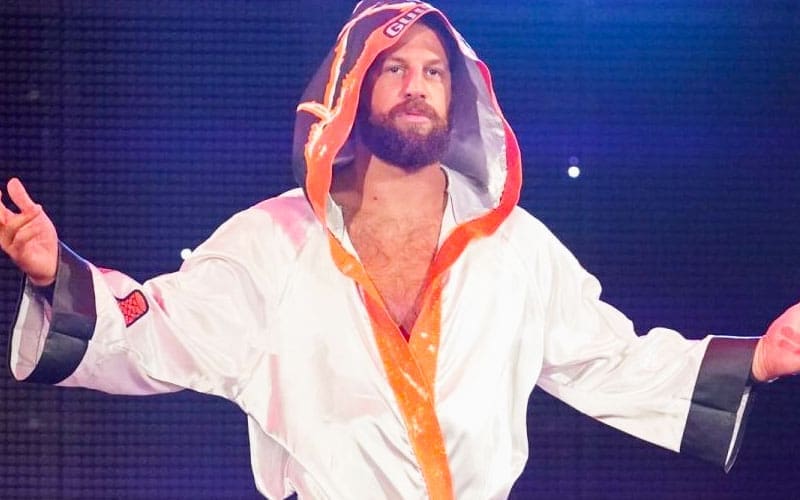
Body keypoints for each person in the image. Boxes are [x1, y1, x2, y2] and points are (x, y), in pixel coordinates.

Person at [1, 1, 799, 498]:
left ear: (458, 96)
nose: (417, 85)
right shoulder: (275, 239)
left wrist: (758, 359)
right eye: (394, 69)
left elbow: (606, 359)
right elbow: (160, 328)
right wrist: (57, 276)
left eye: (434, 72)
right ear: (353, 90)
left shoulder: (514, 245)